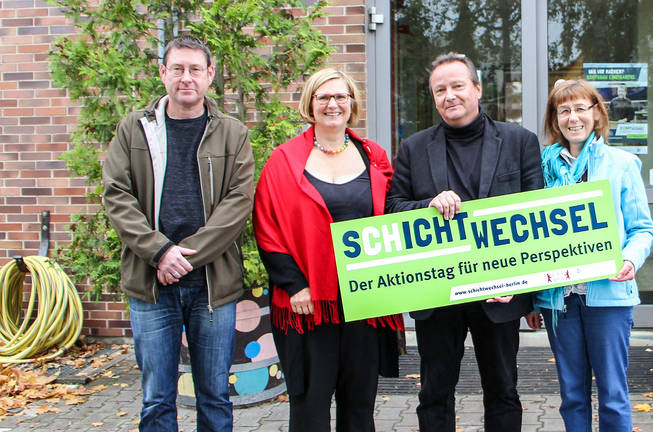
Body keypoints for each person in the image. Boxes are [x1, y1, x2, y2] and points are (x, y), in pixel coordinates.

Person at [102, 35, 255, 431]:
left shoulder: (232, 133)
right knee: (157, 398)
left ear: (210, 75)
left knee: (215, 396)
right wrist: (160, 252)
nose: (186, 78)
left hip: (212, 285)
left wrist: (183, 257)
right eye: (177, 69)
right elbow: (117, 196)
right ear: (162, 73)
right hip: (152, 282)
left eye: (195, 70)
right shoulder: (134, 129)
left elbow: (237, 204)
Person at [386, 52, 544, 432]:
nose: (449, 96)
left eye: (457, 86)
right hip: (438, 291)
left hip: (499, 291)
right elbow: (393, 207)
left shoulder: (519, 141)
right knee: (435, 392)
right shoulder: (414, 148)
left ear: (477, 88)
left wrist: (524, 283)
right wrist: (428, 205)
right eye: (440, 90)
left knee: (503, 390)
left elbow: (537, 214)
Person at [253, 68, 404, 432]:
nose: (333, 104)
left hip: (364, 303)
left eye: (340, 96)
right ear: (310, 104)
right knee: (309, 410)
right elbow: (266, 225)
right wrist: (293, 285)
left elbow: (395, 213)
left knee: (359, 408)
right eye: (323, 97)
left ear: (352, 102)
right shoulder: (284, 160)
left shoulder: (375, 157)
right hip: (307, 304)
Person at [526, 79, 653, 431]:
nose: (573, 118)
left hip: (608, 297)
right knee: (572, 394)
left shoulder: (622, 164)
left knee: (613, 393)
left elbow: (643, 229)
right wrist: (534, 300)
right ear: (555, 119)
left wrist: (629, 259)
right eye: (564, 110)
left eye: (581, 108)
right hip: (559, 301)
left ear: (597, 114)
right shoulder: (541, 168)